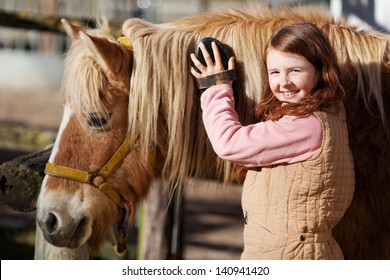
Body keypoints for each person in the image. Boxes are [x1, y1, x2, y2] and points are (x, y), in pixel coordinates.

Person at [190, 22, 355, 260]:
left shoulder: (304, 126)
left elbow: (228, 142)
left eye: (295, 71)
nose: (284, 82)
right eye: (274, 72)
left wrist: (217, 87)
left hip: (289, 256)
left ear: (320, 71)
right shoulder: (330, 111)